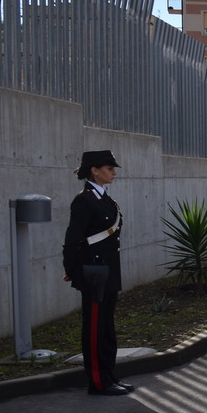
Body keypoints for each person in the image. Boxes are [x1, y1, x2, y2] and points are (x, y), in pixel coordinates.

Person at [63, 149, 131, 395]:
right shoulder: (84, 200)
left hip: (108, 270)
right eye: (108, 167)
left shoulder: (105, 198)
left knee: (106, 326)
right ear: (94, 170)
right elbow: (73, 240)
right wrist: (72, 270)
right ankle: (98, 381)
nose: (113, 172)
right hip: (93, 271)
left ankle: (110, 374)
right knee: (94, 328)